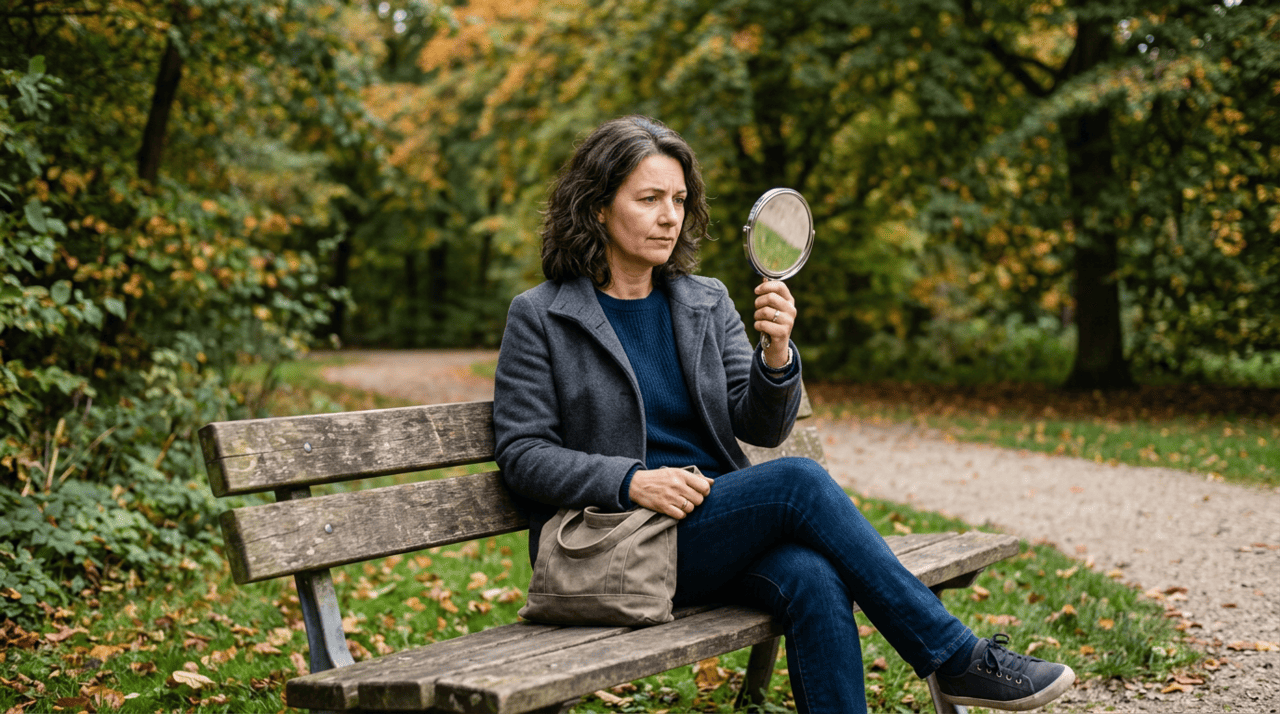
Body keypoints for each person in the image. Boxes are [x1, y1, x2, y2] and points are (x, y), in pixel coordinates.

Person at [492, 115, 1075, 713]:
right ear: (596, 208)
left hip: (712, 528)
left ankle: (949, 664)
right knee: (798, 481)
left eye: (679, 199)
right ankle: (956, 657)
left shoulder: (703, 299)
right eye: (649, 199)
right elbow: (524, 455)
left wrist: (775, 355)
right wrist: (632, 481)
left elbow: (761, 426)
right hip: (619, 544)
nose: (670, 216)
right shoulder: (543, 316)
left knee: (813, 578)